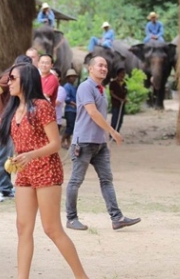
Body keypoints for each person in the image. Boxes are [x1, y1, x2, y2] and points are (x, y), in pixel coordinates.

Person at [0, 63, 89, 279]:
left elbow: (55, 144)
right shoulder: (11, 110)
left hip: (46, 169)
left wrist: (30, 155)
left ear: (26, 80)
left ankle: (82, 277)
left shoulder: (42, 106)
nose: (8, 82)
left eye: (13, 78)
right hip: (25, 172)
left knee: (51, 229)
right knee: (22, 228)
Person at [65, 56, 141, 231]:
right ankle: (71, 218)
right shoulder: (85, 87)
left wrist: (105, 140)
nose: (103, 68)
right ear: (90, 68)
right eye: (100, 65)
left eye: (105, 66)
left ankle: (117, 218)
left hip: (99, 144)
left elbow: (100, 115)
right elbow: (92, 113)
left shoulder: (101, 89)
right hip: (84, 142)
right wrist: (113, 132)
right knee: (76, 181)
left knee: (107, 180)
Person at [0, 55, 32, 203]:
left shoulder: (17, 77)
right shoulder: (8, 76)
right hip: (2, 119)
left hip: (10, 119)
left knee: (7, 155)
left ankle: (5, 187)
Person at [62, 69, 79, 149]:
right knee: (70, 126)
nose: (73, 78)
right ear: (68, 78)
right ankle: (62, 140)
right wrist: (75, 104)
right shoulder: (67, 86)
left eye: (74, 77)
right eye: (71, 77)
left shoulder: (74, 87)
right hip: (70, 109)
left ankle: (68, 142)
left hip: (74, 109)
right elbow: (66, 98)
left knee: (72, 126)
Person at [109, 68, 128, 133]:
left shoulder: (124, 83)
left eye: (124, 73)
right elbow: (112, 93)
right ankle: (112, 134)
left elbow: (125, 93)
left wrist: (125, 99)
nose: (124, 75)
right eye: (122, 73)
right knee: (115, 119)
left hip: (122, 105)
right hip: (115, 104)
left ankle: (117, 132)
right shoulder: (113, 83)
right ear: (119, 74)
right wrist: (119, 99)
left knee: (120, 120)